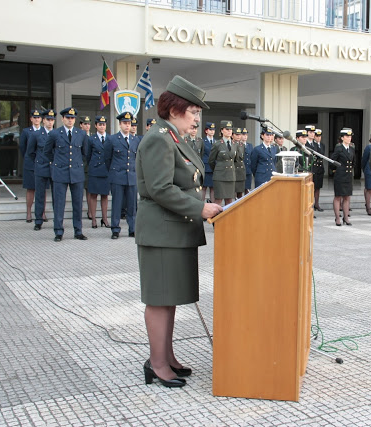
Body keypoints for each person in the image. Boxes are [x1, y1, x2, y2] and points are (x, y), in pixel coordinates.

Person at [136, 75, 223, 388]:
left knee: (168, 297)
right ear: (174, 110)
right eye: (193, 112)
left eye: (198, 113)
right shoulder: (159, 138)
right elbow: (160, 188)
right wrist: (199, 208)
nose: (197, 118)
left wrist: (202, 203)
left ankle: (166, 356)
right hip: (161, 232)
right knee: (159, 300)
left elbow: (186, 182)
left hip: (173, 231)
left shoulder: (173, 137)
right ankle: (156, 364)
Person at [44, 107, 88, 242]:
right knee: (59, 203)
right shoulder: (55, 134)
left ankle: (78, 230)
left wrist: (78, 164)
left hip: (76, 172)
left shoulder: (81, 134)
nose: (70, 120)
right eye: (68, 118)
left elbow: (85, 153)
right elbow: (47, 152)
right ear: (62, 119)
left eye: (72, 118)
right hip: (60, 172)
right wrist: (57, 163)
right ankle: (58, 231)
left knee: (77, 203)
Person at [105, 112, 139, 239]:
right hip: (117, 176)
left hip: (131, 176)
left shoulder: (135, 140)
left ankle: (132, 228)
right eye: (125, 123)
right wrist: (114, 171)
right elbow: (107, 158)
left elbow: (136, 158)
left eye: (129, 123)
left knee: (132, 205)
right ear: (120, 124)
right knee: (117, 204)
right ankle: (115, 229)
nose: (127, 125)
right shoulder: (112, 139)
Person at [27, 108, 54, 230]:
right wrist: (39, 161)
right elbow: (30, 152)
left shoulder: (57, 133)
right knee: (40, 195)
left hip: (55, 168)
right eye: (48, 119)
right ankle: (38, 220)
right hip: (41, 167)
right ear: (43, 120)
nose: (50, 122)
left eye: (52, 120)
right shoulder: (36, 134)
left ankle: (58, 220)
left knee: (57, 195)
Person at [86, 115, 110, 228]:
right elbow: (87, 155)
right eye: (100, 124)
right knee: (93, 195)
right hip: (95, 170)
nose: (102, 126)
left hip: (105, 170)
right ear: (95, 126)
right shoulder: (91, 139)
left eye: (104, 124)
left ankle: (105, 219)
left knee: (105, 196)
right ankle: (94, 219)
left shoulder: (110, 138)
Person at [19, 109, 42, 223]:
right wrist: (29, 159)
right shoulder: (26, 131)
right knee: (30, 189)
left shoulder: (44, 131)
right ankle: (29, 212)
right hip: (30, 163)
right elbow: (23, 148)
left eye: (38, 117)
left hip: (42, 163)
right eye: (35, 117)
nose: (37, 119)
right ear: (31, 119)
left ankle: (41, 212)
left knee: (41, 189)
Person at [330, 128, 354, 226]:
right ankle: (337, 218)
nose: (349, 138)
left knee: (347, 197)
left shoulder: (352, 149)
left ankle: (346, 217)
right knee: (338, 197)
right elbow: (332, 161)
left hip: (348, 176)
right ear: (342, 138)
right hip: (340, 175)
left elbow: (353, 162)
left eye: (350, 136)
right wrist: (336, 171)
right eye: (347, 137)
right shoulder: (339, 148)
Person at [209, 120, 236, 205]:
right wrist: (218, 170)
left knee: (229, 201)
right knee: (218, 200)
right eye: (227, 129)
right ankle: (216, 218)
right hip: (220, 176)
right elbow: (211, 161)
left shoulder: (235, 144)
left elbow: (235, 160)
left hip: (230, 176)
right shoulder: (217, 144)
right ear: (221, 130)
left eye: (230, 129)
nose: (229, 131)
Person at [361, 132, 371, 216]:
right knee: (369, 189)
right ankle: (368, 206)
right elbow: (364, 159)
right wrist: (365, 169)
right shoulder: (369, 147)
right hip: (369, 170)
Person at [80, 116, 92, 218]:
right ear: (81, 125)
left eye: (88, 124)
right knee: (79, 191)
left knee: (89, 190)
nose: (87, 126)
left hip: (88, 167)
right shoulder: (78, 136)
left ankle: (90, 211)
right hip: (79, 167)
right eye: (85, 124)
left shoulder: (91, 137)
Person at [312, 129, 326, 211]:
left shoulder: (322, 145)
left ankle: (317, 204)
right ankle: (312, 204)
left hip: (320, 167)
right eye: (317, 136)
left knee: (318, 187)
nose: (318, 138)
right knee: (313, 187)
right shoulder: (313, 145)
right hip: (314, 167)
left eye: (320, 136)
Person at [201, 122, 215, 202]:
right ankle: (202, 205)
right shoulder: (203, 141)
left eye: (213, 130)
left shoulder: (216, 141)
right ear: (206, 131)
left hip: (213, 167)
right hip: (206, 167)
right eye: (210, 129)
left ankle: (213, 205)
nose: (212, 131)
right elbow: (201, 154)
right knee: (204, 187)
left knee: (213, 188)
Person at [233, 127, 246, 199]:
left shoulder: (242, 145)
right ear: (233, 135)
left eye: (239, 134)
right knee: (233, 193)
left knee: (240, 193)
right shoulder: (231, 144)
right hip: (234, 169)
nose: (238, 136)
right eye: (236, 134)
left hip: (241, 171)